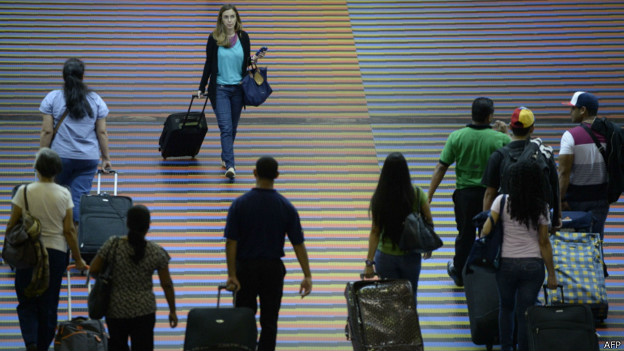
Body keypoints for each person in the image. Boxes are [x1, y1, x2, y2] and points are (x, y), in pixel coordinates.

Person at [224, 156, 312, 351]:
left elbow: (231, 242)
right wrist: (307, 275)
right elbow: (298, 244)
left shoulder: (239, 205)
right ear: (277, 175)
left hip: (245, 269)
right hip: (272, 271)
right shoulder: (286, 207)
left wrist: (231, 274)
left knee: (244, 318)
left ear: (254, 173)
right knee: (269, 322)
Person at [5, 148, 87, 351]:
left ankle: (31, 341)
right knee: (49, 303)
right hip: (56, 253)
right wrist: (77, 259)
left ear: (37, 168)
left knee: (26, 299)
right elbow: (69, 231)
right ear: (57, 170)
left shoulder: (24, 191)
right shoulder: (64, 194)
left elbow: (11, 226)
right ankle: (42, 344)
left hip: (28, 252)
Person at [427, 97, 511, 286]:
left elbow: (441, 167)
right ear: (490, 116)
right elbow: (515, 156)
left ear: (472, 114)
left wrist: (430, 194)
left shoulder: (456, 136)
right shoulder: (501, 139)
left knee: (465, 233)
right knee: (489, 232)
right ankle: (487, 271)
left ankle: (459, 272)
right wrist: (505, 133)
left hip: (464, 196)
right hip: (491, 196)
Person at [480, 159, 557, 351]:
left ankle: (506, 347)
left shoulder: (502, 200)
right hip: (533, 266)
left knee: (506, 308)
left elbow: (485, 231)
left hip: (506, 264)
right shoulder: (541, 206)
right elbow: (544, 242)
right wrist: (552, 274)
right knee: (525, 312)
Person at [89, 205, 178, 351]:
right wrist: (172, 311)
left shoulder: (113, 245)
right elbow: (167, 284)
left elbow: (93, 269)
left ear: (127, 224)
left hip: (115, 309)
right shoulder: (156, 252)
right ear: (148, 226)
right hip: (144, 311)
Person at [197, 4, 266, 180]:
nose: (229, 20)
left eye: (232, 17)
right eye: (226, 17)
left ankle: (224, 155)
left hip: (238, 89)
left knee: (232, 128)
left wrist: (255, 59)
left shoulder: (243, 37)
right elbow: (208, 64)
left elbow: (245, 64)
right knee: (225, 127)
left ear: (237, 19)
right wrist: (201, 86)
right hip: (220, 89)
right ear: (221, 19)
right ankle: (231, 166)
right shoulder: (214, 38)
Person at [39, 58, 111, 224]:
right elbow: (102, 131)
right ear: (82, 76)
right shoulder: (95, 99)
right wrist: (106, 158)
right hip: (88, 158)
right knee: (77, 199)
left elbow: (47, 131)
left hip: (59, 157)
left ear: (63, 76)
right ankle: (76, 241)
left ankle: (56, 238)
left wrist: (42, 154)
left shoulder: (53, 98)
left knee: (54, 195)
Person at [364, 152, 434, 305]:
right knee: (409, 296)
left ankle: (393, 328)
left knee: (389, 299)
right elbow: (428, 219)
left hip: (385, 258)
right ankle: (409, 327)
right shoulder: (417, 193)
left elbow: (375, 232)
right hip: (411, 255)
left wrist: (369, 263)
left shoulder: (380, 197)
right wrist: (428, 245)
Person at [482, 107, 561, 229]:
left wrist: (486, 223)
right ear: (532, 128)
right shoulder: (544, 153)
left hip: (508, 220)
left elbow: (489, 194)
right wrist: (557, 218)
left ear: (510, 126)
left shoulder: (498, 156)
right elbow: (554, 187)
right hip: (538, 220)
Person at [559, 91, 609, 237]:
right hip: (601, 199)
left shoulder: (570, 136)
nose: (570, 112)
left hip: (575, 199)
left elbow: (564, 173)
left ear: (583, 110)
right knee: (596, 238)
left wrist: (560, 200)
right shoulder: (610, 133)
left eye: (573, 108)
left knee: (573, 241)